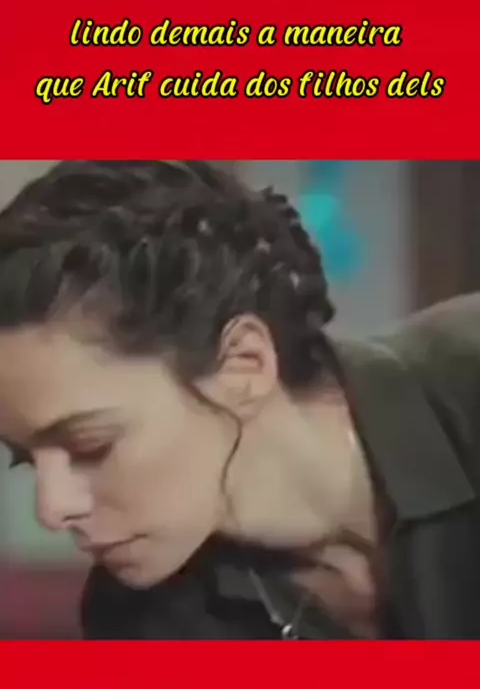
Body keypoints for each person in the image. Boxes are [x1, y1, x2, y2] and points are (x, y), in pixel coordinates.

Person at [0, 160, 479, 640]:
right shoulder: (144, 620)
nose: (52, 510)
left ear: (243, 365)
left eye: (91, 445)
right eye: (28, 461)